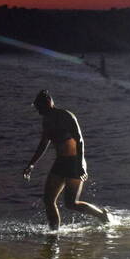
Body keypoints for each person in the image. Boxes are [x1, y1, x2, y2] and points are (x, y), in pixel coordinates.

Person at [25, 90, 110, 230]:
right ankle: (54, 233)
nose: (38, 111)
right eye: (36, 108)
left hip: (74, 162)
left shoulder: (66, 116)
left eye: (39, 107)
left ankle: (102, 215)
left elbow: (80, 140)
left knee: (71, 204)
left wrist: (80, 165)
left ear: (48, 103)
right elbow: (43, 143)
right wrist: (32, 164)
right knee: (48, 200)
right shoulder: (46, 121)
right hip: (60, 162)